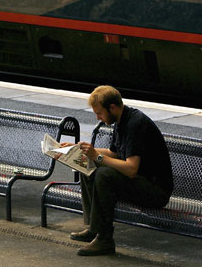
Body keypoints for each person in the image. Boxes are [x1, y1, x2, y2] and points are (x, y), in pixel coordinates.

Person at [62, 85, 173, 256]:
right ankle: (94, 228)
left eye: (99, 113)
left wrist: (97, 157)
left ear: (112, 107)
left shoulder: (135, 124)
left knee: (104, 174)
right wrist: (80, 149)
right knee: (87, 164)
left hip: (155, 191)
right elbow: (114, 153)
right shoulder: (120, 120)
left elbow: (131, 169)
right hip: (139, 182)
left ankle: (105, 240)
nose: (98, 118)